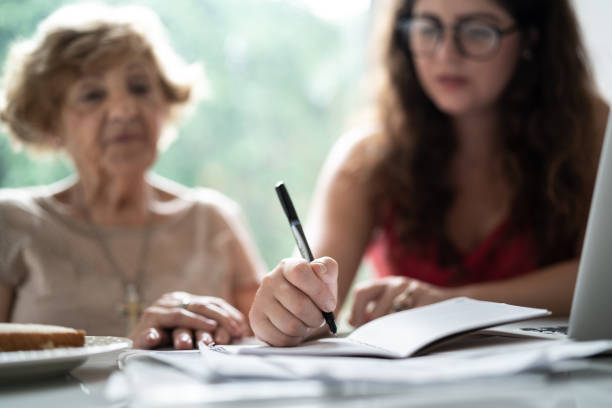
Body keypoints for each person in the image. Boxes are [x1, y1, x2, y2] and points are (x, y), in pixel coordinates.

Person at [249, 0, 609, 346]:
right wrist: (289, 306)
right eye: (427, 28)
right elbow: (317, 298)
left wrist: (450, 304)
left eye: (477, 31)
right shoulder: (367, 159)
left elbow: (604, 280)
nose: (446, 53)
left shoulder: (592, 134)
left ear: (532, 38)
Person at [0, 3, 265, 349]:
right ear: (52, 122)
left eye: (140, 87)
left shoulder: (214, 221)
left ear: (164, 104)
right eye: (92, 95)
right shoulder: (12, 222)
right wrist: (133, 350)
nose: (125, 109)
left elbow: (266, 347)